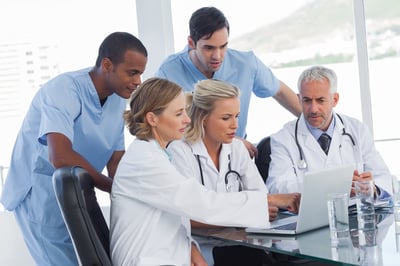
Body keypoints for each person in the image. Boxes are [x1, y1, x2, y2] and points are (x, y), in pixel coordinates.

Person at [0, 32, 148, 265]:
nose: (138, 81)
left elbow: (116, 160)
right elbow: (59, 156)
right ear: (107, 65)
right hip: (40, 193)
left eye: (141, 73)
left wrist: (133, 196)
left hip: (79, 192)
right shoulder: (63, 89)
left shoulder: (118, 99)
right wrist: (112, 187)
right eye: (132, 72)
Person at [110, 77, 272, 266]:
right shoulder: (145, 161)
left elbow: (176, 218)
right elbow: (202, 204)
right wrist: (268, 201)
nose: (187, 120)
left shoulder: (156, 154)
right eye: (179, 113)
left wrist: (191, 248)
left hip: (166, 256)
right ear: (152, 118)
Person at [166, 79, 300, 265]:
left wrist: (249, 210)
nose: (235, 125)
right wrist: (246, 211)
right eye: (226, 118)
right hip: (203, 248)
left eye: (237, 116)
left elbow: (261, 200)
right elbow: (186, 216)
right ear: (203, 118)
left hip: (244, 244)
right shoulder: (180, 151)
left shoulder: (236, 148)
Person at [155, 6, 301, 156]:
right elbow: (160, 127)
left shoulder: (246, 63)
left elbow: (280, 92)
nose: (217, 56)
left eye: (223, 46)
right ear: (191, 43)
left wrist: (320, 124)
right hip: (187, 156)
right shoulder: (168, 71)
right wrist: (232, 142)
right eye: (209, 48)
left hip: (237, 157)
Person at [266, 65, 393, 199]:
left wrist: (372, 188)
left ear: (335, 99)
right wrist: (335, 185)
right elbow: (276, 187)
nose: (313, 108)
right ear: (299, 99)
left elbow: (384, 178)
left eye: (320, 100)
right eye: (307, 100)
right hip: (309, 217)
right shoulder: (283, 138)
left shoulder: (357, 130)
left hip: (354, 213)